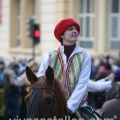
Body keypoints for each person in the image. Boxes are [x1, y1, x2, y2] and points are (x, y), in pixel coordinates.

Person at [37, 18, 94, 119]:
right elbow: (40, 79)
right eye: (70, 29)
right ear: (62, 35)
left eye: (76, 29)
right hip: (53, 106)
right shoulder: (51, 55)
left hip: (79, 106)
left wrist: (69, 107)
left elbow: (83, 83)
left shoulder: (85, 55)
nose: (75, 31)